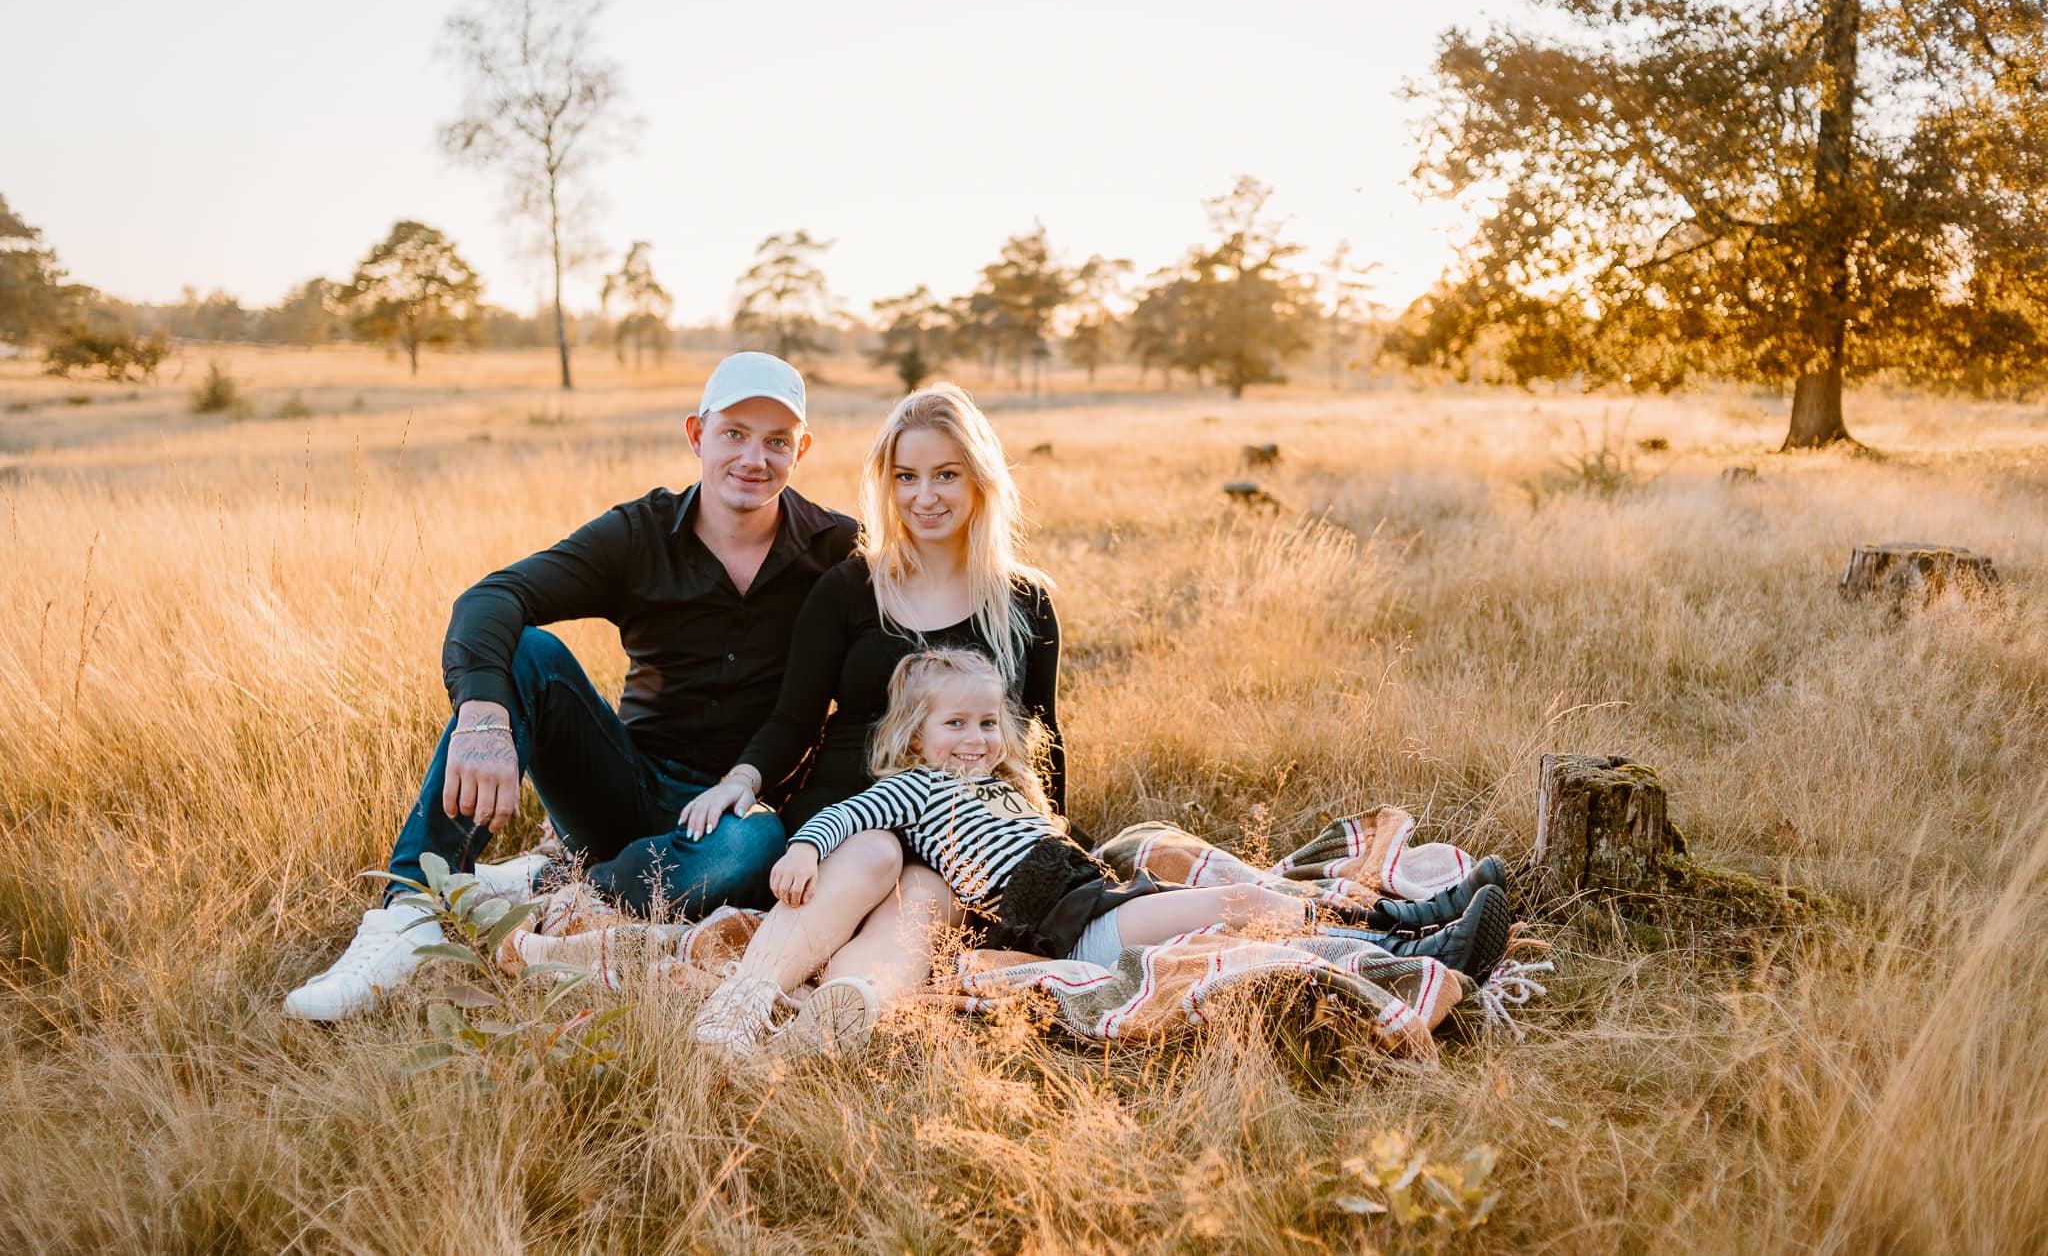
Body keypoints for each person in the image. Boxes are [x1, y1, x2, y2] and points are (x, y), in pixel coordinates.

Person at [283, 353, 859, 1021]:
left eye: (777, 441)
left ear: (802, 451)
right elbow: (495, 595)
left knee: (753, 847)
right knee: (530, 651)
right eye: (734, 433)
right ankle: (408, 913)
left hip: (740, 809)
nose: (754, 457)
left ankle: (560, 880)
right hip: (625, 787)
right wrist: (482, 717)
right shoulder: (640, 535)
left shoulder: (836, 548)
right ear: (697, 434)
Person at [691, 649, 1513, 1056]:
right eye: (955, 724)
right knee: (1246, 909)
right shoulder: (916, 790)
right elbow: (850, 815)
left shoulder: (1010, 794)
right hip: (1080, 926)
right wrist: (801, 847)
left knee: (1245, 913)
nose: (976, 738)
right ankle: (1412, 939)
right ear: (914, 736)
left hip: (1101, 904)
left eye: (987, 723)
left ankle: (1409, 922)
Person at [668, 382, 1064, 1044]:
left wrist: (1052, 845)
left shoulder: (1025, 600)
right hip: (846, 811)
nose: (925, 495)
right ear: (887, 483)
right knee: (878, 851)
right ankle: (739, 1004)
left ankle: (838, 1016)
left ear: (979, 479)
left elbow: (1042, 733)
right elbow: (793, 719)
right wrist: (743, 778)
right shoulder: (849, 587)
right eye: (906, 476)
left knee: (929, 891)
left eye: (946, 474)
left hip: (960, 831)